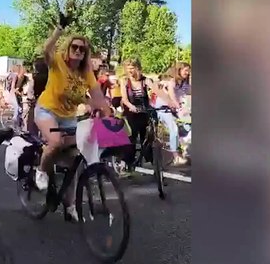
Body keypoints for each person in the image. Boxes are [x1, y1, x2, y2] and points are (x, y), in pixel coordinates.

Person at [33, 15, 110, 221]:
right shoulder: (58, 62)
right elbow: (46, 49)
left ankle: (70, 206)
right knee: (55, 142)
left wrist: (109, 117)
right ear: (68, 49)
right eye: (74, 47)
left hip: (68, 117)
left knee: (75, 160)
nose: (78, 51)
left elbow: (98, 97)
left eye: (82, 49)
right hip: (47, 110)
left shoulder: (86, 72)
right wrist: (59, 28)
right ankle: (41, 171)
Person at [119, 59, 170, 172]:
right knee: (132, 137)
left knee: (147, 137)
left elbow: (157, 91)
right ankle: (126, 163)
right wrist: (131, 106)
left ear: (138, 68)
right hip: (131, 111)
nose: (130, 71)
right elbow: (124, 99)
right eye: (128, 68)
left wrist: (169, 102)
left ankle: (155, 166)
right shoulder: (124, 81)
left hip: (144, 110)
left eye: (132, 68)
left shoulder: (145, 80)